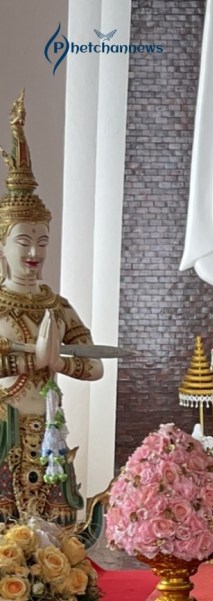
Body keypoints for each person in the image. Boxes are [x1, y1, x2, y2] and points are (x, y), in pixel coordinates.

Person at [0, 90, 103, 526]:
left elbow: (94, 365)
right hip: (4, 426)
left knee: (56, 523)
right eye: (24, 241)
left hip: (48, 429)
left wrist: (58, 362)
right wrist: (30, 359)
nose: (34, 253)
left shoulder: (57, 306)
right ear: (3, 244)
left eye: (42, 242)